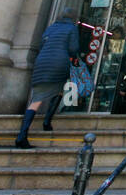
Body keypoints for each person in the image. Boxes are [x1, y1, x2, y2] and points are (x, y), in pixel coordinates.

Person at [15, 8, 82, 149]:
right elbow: (73, 48)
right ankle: (45, 122)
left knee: (36, 100)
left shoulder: (51, 28)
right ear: (74, 17)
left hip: (42, 62)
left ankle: (23, 134)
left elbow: (42, 45)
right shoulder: (72, 28)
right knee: (59, 91)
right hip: (59, 63)